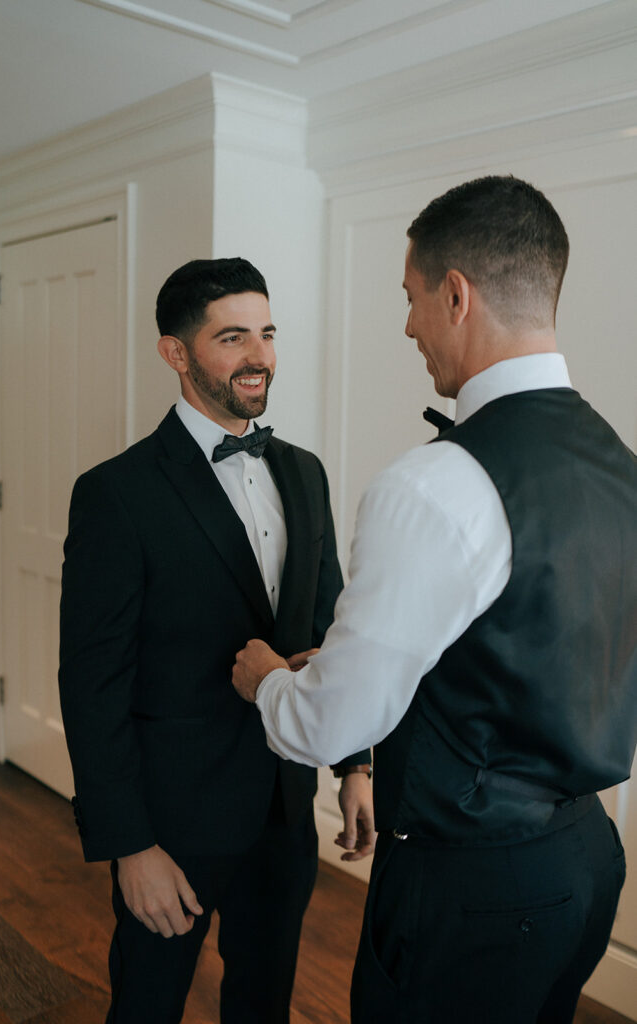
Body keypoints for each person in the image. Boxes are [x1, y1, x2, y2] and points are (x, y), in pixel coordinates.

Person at [232, 177, 637, 1024]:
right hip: (585, 858)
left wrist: (268, 678)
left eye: (411, 299)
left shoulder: (432, 484)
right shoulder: (617, 462)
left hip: (471, 885)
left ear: (456, 294)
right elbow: (548, 637)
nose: (408, 325)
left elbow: (330, 726)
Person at [58, 257, 374, 1024]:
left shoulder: (304, 472)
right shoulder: (116, 492)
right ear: (177, 353)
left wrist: (355, 761)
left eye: (266, 333)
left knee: (263, 1002)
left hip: (282, 806)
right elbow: (91, 682)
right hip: (170, 822)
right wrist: (129, 846)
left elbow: (331, 623)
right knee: (147, 1001)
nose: (258, 355)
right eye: (232, 337)